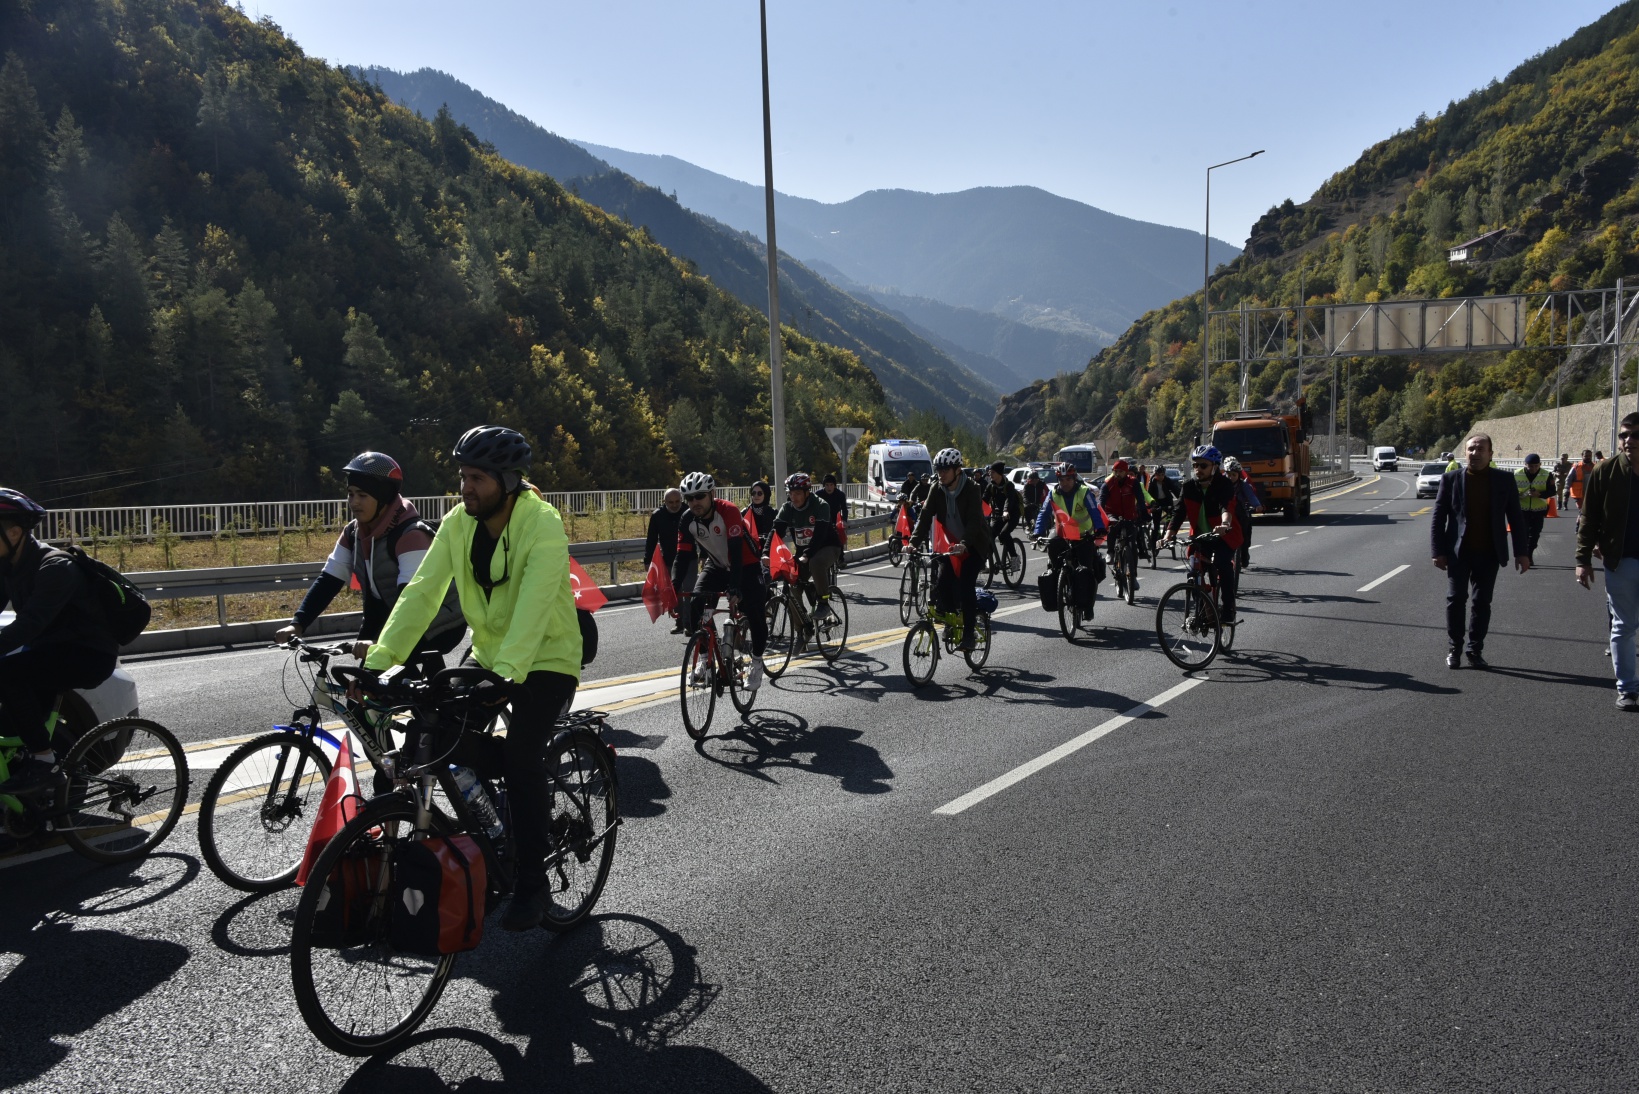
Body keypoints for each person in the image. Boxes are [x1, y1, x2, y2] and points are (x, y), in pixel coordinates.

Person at [364, 425, 581, 932]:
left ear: (506, 481)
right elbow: (423, 590)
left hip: (547, 658)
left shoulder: (541, 523)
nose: (465, 488)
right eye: (463, 477)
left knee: (523, 757)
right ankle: (498, 824)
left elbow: (534, 604)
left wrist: (506, 674)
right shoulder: (460, 523)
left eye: (477, 478)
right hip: (489, 656)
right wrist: (381, 658)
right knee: (436, 734)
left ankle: (533, 880)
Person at [277, 452, 464, 660]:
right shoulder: (354, 533)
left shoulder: (411, 536)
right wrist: (298, 624)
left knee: (385, 678)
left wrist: (382, 643)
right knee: (362, 684)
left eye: (363, 495)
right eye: (350, 493)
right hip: (391, 619)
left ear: (383, 497)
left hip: (438, 623)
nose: (354, 502)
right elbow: (329, 580)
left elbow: (414, 601)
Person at [0, 490, 120, 794]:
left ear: (14, 532)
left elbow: (29, 625)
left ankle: (45, 762)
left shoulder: (55, 568)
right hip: (50, 650)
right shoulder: (8, 566)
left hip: (87, 655)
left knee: (7, 672)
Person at [1431, 432, 1530, 670]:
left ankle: (1475, 650)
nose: (1475, 453)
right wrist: (1438, 551)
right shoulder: (1451, 479)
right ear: (1465, 452)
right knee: (1456, 599)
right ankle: (1454, 648)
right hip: (1458, 552)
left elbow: (1516, 518)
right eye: (1471, 449)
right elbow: (1438, 516)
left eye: (1480, 449)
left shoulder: (1504, 481)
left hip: (1489, 552)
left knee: (1481, 602)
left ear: (1490, 454)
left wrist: (1522, 552)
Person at [672, 472, 768, 691]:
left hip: (746, 564)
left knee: (754, 613)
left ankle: (757, 662)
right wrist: (673, 588)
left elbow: (736, 551)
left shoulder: (728, 511)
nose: (694, 502)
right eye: (689, 498)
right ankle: (705, 659)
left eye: (700, 496)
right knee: (696, 605)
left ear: (712, 494)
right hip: (717, 565)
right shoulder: (687, 519)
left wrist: (734, 587)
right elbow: (682, 556)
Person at [1574, 412, 1639, 708]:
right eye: (1624, 435)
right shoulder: (1605, 471)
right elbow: (1589, 518)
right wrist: (1583, 559)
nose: (1629, 441)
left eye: (1636, 435)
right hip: (1620, 560)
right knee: (1623, 626)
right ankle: (1627, 688)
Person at [912, 448, 991, 651]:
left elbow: (974, 520)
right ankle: (950, 621)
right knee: (942, 583)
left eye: (945, 469)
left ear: (957, 470)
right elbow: (925, 516)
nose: (941, 474)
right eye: (938, 469)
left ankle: (968, 635)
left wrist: (964, 543)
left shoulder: (972, 488)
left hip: (973, 544)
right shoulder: (936, 489)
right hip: (950, 544)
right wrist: (913, 542)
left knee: (965, 584)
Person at [1164, 446, 1243, 626]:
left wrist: (1225, 524)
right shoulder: (1189, 487)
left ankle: (1229, 609)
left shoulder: (1223, 485)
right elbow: (1179, 512)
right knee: (1194, 570)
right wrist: (1168, 535)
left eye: (1203, 465)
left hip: (1224, 536)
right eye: (1195, 465)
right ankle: (1202, 607)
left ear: (1214, 467)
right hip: (1201, 537)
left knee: (1223, 564)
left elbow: (1227, 507)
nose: (1198, 469)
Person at [1032, 461, 1108, 615]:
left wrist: (1099, 528)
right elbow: (1044, 513)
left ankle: (1088, 607)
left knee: (1087, 569)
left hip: (1083, 534)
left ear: (1074, 479)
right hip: (1062, 533)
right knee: (1053, 553)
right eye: (1061, 480)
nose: (1065, 483)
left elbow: (1094, 511)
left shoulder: (1084, 492)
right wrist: (1038, 532)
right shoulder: (1053, 494)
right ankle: (1061, 581)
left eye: (1068, 479)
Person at [771, 472, 842, 621]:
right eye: (790, 493)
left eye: (797, 493)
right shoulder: (788, 508)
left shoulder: (821, 505)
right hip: (805, 552)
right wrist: (765, 553)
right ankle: (803, 625)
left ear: (807, 492)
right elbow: (775, 533)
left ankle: (823, 603)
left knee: (816, 562)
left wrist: (807, 555)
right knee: (793, 583)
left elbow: (819, 536)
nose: (793, 497)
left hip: (828, 546)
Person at [1100, 458, 1150, 593]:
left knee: (1132, 546)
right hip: (1112, 513)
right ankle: (1110, 551)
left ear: (1126, 472)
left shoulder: (1133, 483)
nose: (1118, 474)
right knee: (1112, 527)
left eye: (1121, 471)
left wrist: (1144, 513)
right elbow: (1102, 501)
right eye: (1116, 471)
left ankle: (1133, 576)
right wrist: (1102, 517)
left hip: (1129, 515)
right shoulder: (1108, 484)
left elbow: (1140, 499)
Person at [643, 488, 687, 633]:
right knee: (675, 592)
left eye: (677, 501)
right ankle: (680, 621)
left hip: (688, 558)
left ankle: (692, 622)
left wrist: (704, 555)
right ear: (664, 502)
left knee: (689, 591)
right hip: (668, 560)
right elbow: (651, 540)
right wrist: (648, 560)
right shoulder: (658, 516)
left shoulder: (688, 512)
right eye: (670, 502)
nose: (674, 505)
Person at [1222, 457, 1264, 570]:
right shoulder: (1222, 483)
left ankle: (1244, 555)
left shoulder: (1243, 485)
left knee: (1245, 537)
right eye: (1228, 474)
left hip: (1240, 514)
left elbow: (1251, 496)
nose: (1230, 477)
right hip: (1225, 514)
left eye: (1233, 475)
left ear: (1239, 475)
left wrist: (1257, 506)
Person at [983, 461, 1022, 574]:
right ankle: (986, 562)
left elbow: (1009, 500)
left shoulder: (1009, 485)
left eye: (993, 472)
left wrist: (1006, 511)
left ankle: (1014, 558)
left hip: (1012, 514)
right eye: (990, 472)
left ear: (999, 473)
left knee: (1004, 534)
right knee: (989, 536)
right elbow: (984, 500)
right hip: (998, 515)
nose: (990, 474)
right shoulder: (991, 486)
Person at [1513, 453, 1554, 559]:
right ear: (1525, 464)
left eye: (1536, 466)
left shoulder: (1547, 474)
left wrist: (1540, 494)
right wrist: (1518, 495)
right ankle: (1526, 555)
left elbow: (1552, 491)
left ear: (1540, 464)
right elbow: (1509, 491)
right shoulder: (1516, 474)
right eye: (1531, 466)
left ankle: (1530, 551)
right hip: (1522, 509)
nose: (1534, 468)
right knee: (1524, 533)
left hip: (1539, 510)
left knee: (1535, 535)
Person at [817, 472, 849, 567]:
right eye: (827, 485)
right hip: (822, 519)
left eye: (831, 485)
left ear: (835, 485)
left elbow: (844, 509)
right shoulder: (818, 494)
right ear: (824, 486)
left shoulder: (840, 495)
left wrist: (844, 520)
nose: (829, 487)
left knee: (839, 534)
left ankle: (841, 559)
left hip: (836, 519)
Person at [742, 480, 776, 556]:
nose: (756, 496)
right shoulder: (745, 512)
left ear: (766, 495)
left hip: (768, 553)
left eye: (760, 493)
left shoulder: (773, 513)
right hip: (750, 553)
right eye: (753, 493)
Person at [1567, 449, 1596, 527]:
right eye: (1586, 456)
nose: (1588, 457)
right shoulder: (1576, 467)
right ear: (1582, 456)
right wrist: (1566, 490)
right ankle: (1579, 526)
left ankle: (1584, 526)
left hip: (1592, 493)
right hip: (1580, 494)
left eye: (1589, 456)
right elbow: (1569, 479)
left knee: (1589, 511)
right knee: (1583, 511)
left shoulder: (1595, 466)